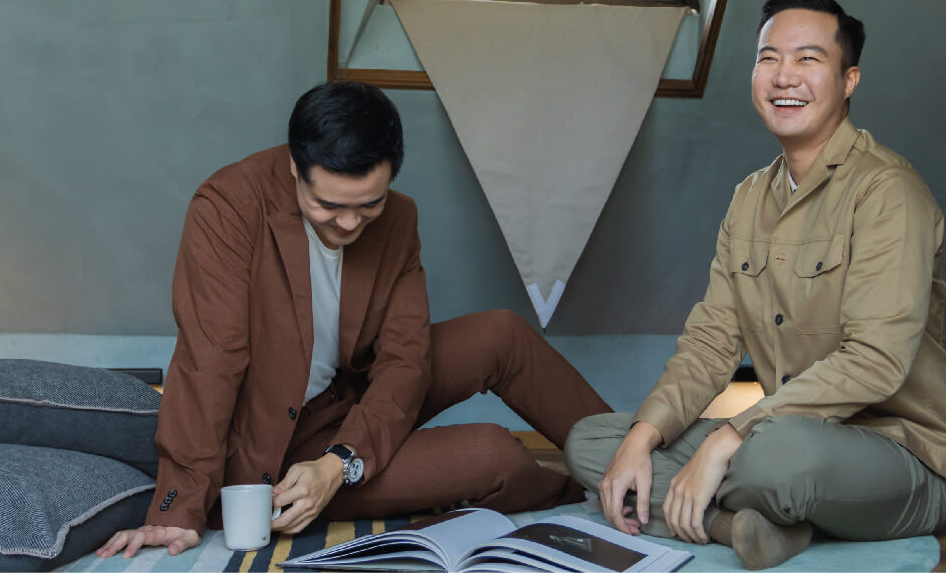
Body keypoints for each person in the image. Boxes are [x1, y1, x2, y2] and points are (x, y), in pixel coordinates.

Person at [97, 81, 611, 558]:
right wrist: (180, 507)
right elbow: (210, 362)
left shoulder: (399, 218)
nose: (348, 223)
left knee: (501, 334)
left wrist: (341, 461)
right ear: (295, 167)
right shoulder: (228, 208)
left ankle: (632, 470)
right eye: (328, 205)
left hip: (349, 406)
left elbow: (406, 359)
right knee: (497, 456)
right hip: (276, 453)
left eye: (368, 205)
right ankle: (574, 493)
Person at [564, 0, 946, 570]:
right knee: (595, 444)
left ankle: (728, 501)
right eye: (769, 58)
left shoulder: (888, 192)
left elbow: (876, 361)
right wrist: (642, 437)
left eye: (808, 59)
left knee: (774, 458)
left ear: (849, 81)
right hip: (781, 432)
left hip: (900, 453)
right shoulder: (749, 198)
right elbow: (710, 344)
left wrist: (730, 436)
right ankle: (738, 526)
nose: (784, 76)